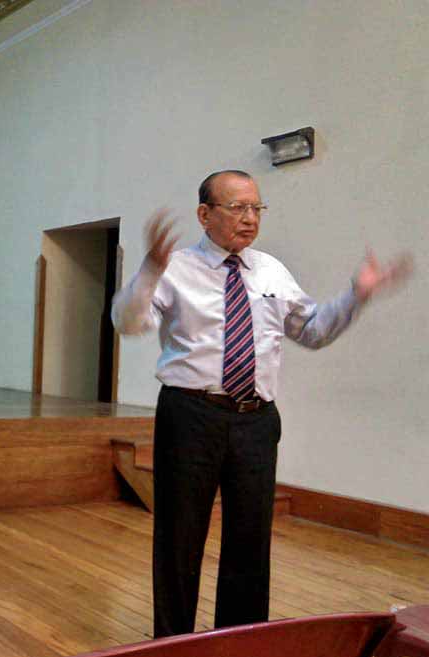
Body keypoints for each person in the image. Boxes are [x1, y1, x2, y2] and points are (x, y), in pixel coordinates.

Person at [111, 170, 412, 638]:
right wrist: (149, 269)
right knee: (179, 539)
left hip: (256, 421)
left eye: (256, 208)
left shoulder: (271, 270)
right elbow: (129, 323)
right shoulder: (174, 268)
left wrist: (357, 294)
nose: (249, 219)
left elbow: (311, 330)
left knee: (250, 542)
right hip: (190, 415)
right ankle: (172, 644)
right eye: (237, 208)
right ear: (205, 215)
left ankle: (242, 641)